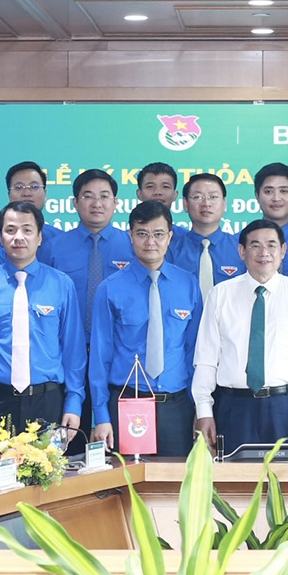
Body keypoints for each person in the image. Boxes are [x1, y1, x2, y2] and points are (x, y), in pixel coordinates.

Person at [193, 219, 288, 453]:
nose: (264, 252)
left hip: (287, 406)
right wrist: (204, 410)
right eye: (255, 245)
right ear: (241, 251)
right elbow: (206, 357)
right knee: (235, 476)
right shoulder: (220, 294)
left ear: (283, 251)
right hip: (235, 407)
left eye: (271, 245)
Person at [91, 201, 202, 456]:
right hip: (128, 403)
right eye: (142, 233)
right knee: (127, 478)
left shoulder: (188, 284)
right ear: (130, 236)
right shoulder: (110, 288)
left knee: (177, 480)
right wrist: (101, 415)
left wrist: (200, 408)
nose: (150, 241)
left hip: (177, 407)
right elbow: (100, 357)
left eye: (158, 234)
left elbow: (195, 351)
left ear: (170, 237)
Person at [0, 201, 85, 440]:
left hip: (47, 402)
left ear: (39, 237)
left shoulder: (61, 284)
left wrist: (74, 401)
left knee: (47, 465)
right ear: (0, 237)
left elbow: (73, 350)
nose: (18, 237)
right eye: (10, 230)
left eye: (27, 230)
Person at [47, 169, 135, 337]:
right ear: (75, 202)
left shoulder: (132, 245)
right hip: (68, 341)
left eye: (104, 196)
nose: (97, 204)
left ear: (116, 202)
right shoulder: (54, 248)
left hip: (120, 341)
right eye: (88, 196)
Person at [167, 173, 243, 296]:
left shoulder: (241, 249)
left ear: (224, 204)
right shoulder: (170, 249)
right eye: (198, 197)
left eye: (213, 197)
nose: (206, 203)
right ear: (185, 204)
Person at [0, 161, 62, 262]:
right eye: (19, 187)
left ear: (45, 194)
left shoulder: (62, 241)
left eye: (34, 187)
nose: (27, 193)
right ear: (9, 195)